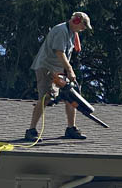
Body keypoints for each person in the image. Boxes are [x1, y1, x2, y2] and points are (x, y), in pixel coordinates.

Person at [27, 12, 91, 140]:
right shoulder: (61, 31)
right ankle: (31, 130)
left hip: (58, 70)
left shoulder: (73, 34)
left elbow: (67, 54)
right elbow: (59, 52)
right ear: (76, 21)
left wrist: (66, 72)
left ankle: (71, 129)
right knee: (45, 97)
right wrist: (70, 69)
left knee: (71, 96)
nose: (84, 29)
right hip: (46, 67)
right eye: (83, 25)